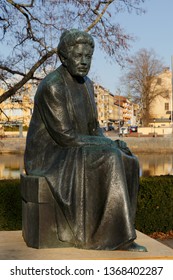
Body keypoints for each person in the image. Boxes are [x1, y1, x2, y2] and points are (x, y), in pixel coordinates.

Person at [24, 29, 147, 251]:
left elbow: (93, 128)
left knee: (128, 158)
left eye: (88, 57)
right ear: (64, 57)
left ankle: (121, 235)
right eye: (78, 56)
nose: (83, 62)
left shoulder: (87, 84)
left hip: (74, 146)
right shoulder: (53, 86)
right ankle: (108, 236)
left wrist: (112, 142)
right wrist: (107, 146)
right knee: (109, 158)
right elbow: (65, 137)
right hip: (50, 155)